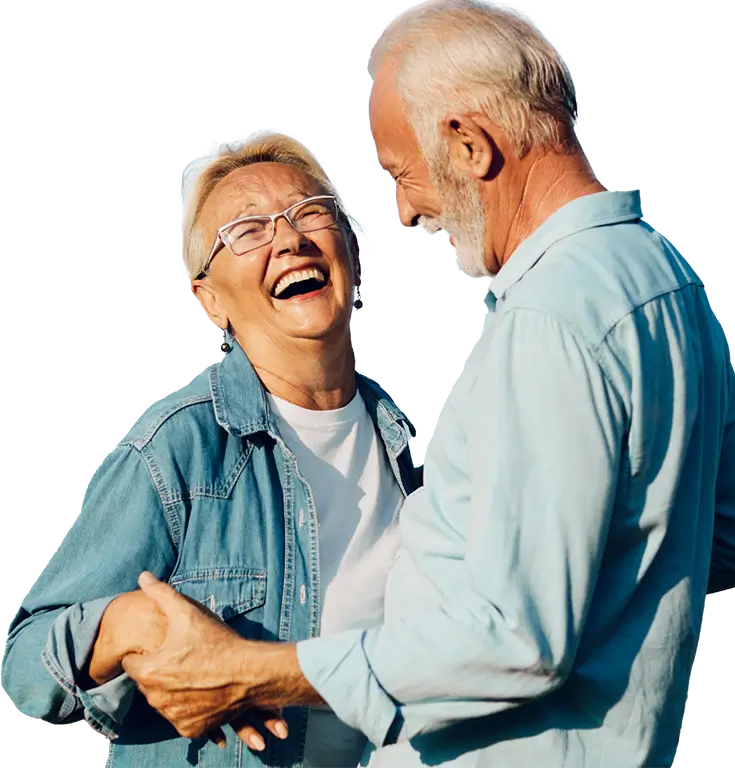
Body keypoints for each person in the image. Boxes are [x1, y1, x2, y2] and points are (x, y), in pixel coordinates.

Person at [112, 2, 735, 767]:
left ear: (468, 144)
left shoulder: (548, 323)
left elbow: (515, 640)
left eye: (401, 173)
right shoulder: (668, 279)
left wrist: (254, 672)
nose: (403, 213)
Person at [0, 128, 421, 767]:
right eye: (247, 231)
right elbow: (20, 663)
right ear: (211, 301)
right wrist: (128, 624)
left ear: (355, 258)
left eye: (310, 212)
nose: (289, 239)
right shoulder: (178, 448)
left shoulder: (414, 450)